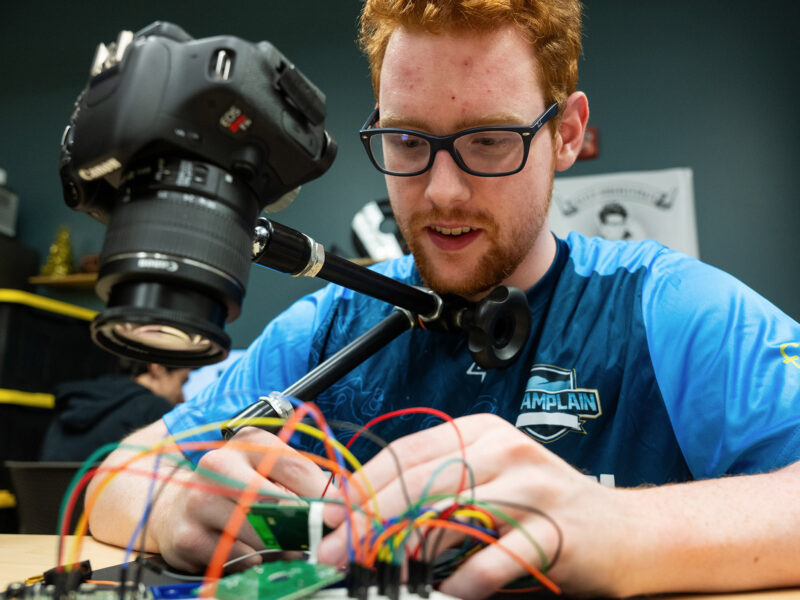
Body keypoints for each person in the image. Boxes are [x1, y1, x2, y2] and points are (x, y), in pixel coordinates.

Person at [87, 1, 800, 598]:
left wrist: (619, 526)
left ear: (567, 134)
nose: (443, 191)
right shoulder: (330, 323)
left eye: (489, 140)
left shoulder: (667, 308)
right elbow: (115, 474)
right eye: (407, 140)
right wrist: (177, 510)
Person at [40, 359, 190, 462]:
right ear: (157, 369)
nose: (182, 397)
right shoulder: (154, 407)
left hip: (50, 503)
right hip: (98, 505)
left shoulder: (86, 395)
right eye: (182, 381)